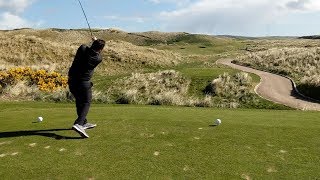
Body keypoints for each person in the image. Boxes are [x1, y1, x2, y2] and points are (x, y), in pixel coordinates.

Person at [68, 37, 106, 138]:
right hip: (83, 83)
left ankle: (84, 122)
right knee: (86, 102)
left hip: (71, 81)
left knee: (79, 101)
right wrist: (96, 41)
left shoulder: (82, 48)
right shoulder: (98, 58)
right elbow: (97, 52)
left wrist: (93, 42)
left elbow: (87, 48)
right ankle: (79, 124)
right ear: (101, 49)